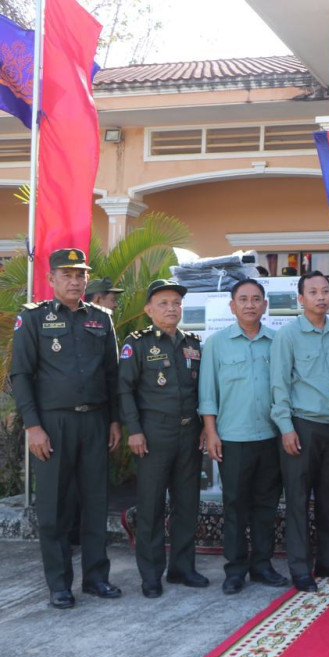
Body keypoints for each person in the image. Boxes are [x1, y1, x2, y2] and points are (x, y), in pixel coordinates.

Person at [10, 248, 123, 609]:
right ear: (52, 279)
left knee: (96, 503)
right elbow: (20, 375)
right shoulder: (33, 318)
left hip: (95, 421)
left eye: (80, 275)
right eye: (67, 275)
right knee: (54, 508)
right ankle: (59, 585)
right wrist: (33, 426)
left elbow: (112, 375)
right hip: (53, 424)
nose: (75, 281)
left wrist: (114, 419)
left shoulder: (101, 319)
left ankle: (96, 578)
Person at [270, 270, 329, 592]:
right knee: (297, 502)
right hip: (302, 428)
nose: (321, 297)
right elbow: (279, 385)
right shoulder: (288, 336)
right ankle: (301, 569)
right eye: (313, 292)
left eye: (326, 291)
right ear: (301, 298)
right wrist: (286, 428)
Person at [119, 279, 207, 599]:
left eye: (176, 303)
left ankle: (182, 568)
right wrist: (134, 430)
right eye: (164, 303)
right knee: (151, 506)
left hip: (189, 432)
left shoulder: (192, 343)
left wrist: (204, 427)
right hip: (153, 434)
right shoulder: (138, 343)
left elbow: (201, 389)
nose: (172, 308)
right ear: (148, 310)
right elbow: (124, 389)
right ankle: (151, 574)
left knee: (187, 504)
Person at [199, 278, 288, 595]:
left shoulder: (278, 342)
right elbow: (207, 392)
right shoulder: (216, 343)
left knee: (266, 506)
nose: (250, 304)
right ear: (232, 305)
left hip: (270, 437)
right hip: (233, 438)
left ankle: (262, 565)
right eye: (243, 299)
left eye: (256, 299)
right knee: (235, 506)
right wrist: (211, 432)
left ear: (265, 305)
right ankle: (235, 570)